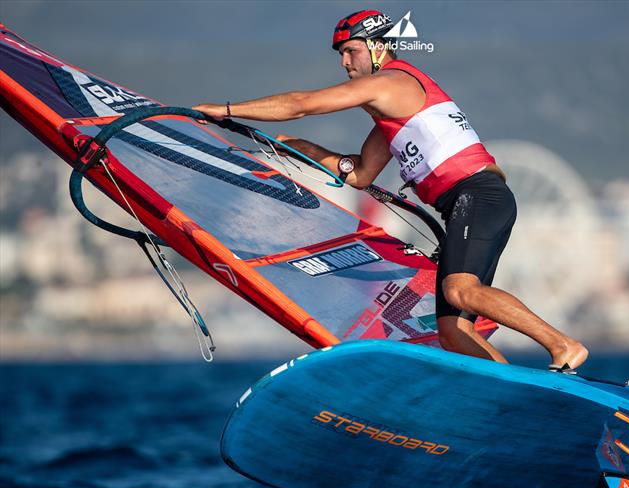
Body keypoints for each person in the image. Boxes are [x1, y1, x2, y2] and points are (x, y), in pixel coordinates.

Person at [194, 10, 588, 371]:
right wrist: (302, 149)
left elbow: (303, 103)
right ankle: (513, 393)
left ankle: (563, 345)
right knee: (452, 331)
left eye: (350, 52)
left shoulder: (393, 82)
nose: (345, 63)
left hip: (477, 195)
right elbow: (361, 174)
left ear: (377, 47)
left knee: (461, 290)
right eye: (341, 55)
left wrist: (226, 110)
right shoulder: (390, 114)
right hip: (472, 203)